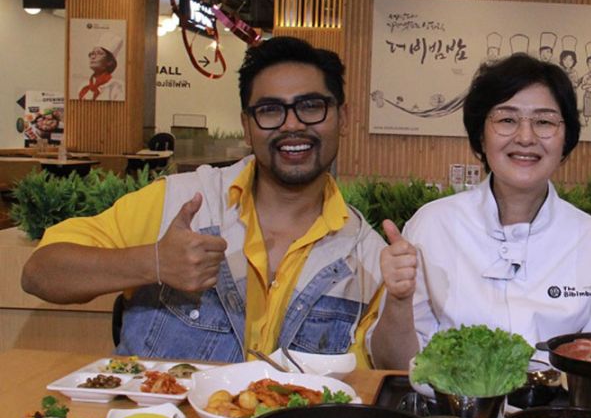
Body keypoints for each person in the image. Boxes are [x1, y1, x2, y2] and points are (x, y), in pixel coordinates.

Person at [22, 36, 392, 364]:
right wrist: (154, 261)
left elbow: (370, 380)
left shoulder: (368, 258)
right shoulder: (180, 202)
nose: (292, 125)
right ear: (246, 126)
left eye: (311, 106)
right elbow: (40, 273)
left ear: (343, 118)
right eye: (270, 110)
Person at [370, 53, 591, 369]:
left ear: (566, 139)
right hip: (450, 401)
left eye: (544, 122)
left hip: (558, 402)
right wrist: (398, 301)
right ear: (481, 134)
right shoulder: (433, 225)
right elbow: (394, 365)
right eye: (507, 120)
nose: (525, 137)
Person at [78, 33, 124, 101]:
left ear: (109, 61)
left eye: (99, 53)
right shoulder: (84, 86)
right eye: (92, 53)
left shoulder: (116, 87)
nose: (93, 57)